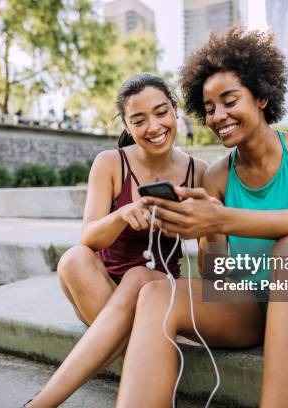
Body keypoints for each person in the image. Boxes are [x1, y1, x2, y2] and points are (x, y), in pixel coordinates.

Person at [116, 28, 288, 407]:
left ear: (262, 95)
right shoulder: (215, 176)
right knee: (154, 294)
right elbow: (218, 279)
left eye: (230, 101)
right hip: (249, 308)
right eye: (210, 108)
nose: (219, 116)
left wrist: (223, 219)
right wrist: (200, 231)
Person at [25, 72, 207, 408]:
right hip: (102, 294)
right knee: (74, 259)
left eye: (161, 112)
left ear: (174, 110)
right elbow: (89, 237)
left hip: (156, 291)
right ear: (125, 123)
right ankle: (154, 361)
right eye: (139, 120)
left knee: (140, 277)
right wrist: (122, 215)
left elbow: (212, 252)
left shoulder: (200, 171)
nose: (153, 127)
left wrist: (196, 223)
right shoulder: (110, 163)